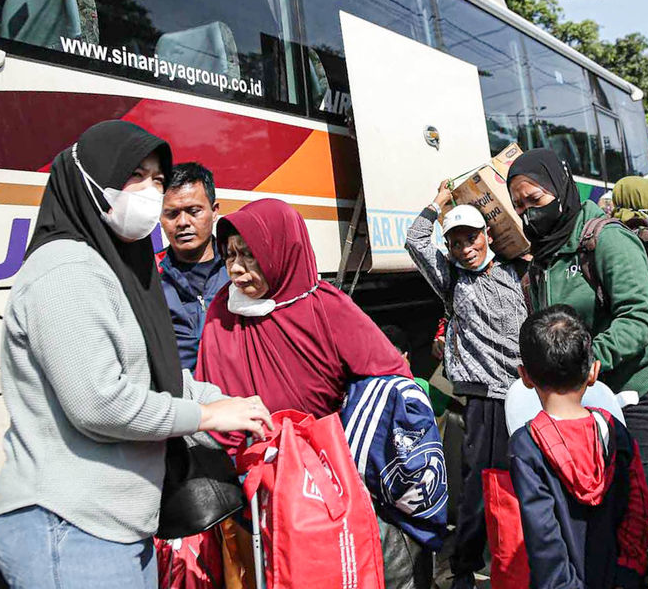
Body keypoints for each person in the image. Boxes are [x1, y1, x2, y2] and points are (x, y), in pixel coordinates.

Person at [0, 120, 272, 589]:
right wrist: (205, 415)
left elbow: (155, 374)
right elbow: (100, 403)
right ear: (91, 180)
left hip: (113, 527)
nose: (149, 191)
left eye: (157, 179)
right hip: (71, 526)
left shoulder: (116, 267)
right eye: (134, 175)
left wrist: (238, 410)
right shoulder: (67, 270)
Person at [507, 149, 648, 506]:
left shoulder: (607, 240)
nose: (528, 213)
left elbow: (640, 316)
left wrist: (590, 357)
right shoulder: (543, 258)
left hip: (637, 392)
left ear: (560, 187)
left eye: (534, 199)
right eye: (519, 207)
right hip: (583, 401)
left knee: (635, 510)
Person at [404, 184, 526, 589]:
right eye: (455, 243)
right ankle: (464, 568)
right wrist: (436, 203)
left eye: (470, 238)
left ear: (487, 235)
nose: (464, 249)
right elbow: (415, 239)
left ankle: (517, 560)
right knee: (476, 486)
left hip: (522, 395)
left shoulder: (517, 271)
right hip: (479, 399)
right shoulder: (450, 278)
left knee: (519, 483)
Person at [195, 198, 411, 427]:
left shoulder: (327, 308)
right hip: (248, 457)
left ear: (281, 252)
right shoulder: (224, 310)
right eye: (230, 255)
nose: (236, 267)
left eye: (249, 254)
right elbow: (210, 397)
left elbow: (390, 380)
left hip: (328, 454)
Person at [509, 305, 648, 589]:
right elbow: (638, 512)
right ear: (593, 371)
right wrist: (627, 576)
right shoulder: (615, 432)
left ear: (524, 376)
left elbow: (544, 539)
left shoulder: (526, 446)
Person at [158, 162, 228, 371]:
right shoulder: (148, 277)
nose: (182, 222)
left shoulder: (240, 272)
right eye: (172, 214)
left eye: (193, 211)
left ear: (214, 211)